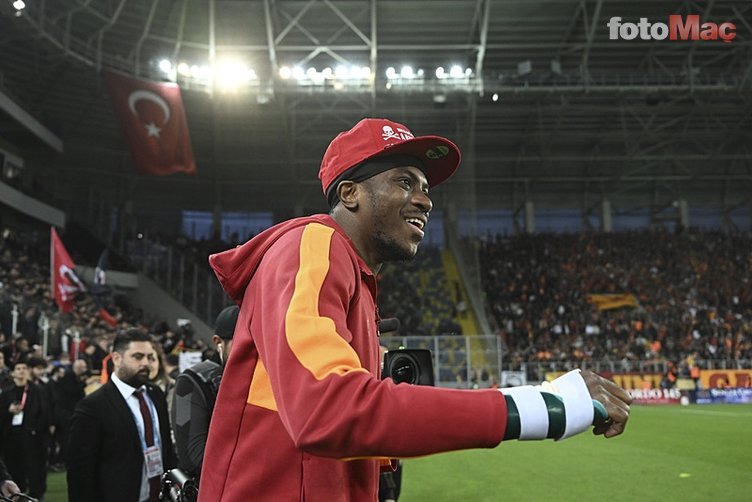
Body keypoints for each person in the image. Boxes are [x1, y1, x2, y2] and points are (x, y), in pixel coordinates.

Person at [199, 118, 632, 501]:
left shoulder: (353, 276)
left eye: (426, 189)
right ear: (350, 193)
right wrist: (544, 406)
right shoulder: (313, 245)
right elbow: (327, 410)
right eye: (405, 182)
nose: (426, 201)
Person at [66, 328, 177, 502]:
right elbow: (80, 473)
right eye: (138, 357)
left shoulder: (156, 394)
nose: (146, 363)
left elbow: (166, 450)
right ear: (117, 359)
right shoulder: (92, 407)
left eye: (150, 357)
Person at [171, 305, 239, 482]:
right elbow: (191, 455)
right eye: (241, 342)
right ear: (218, 342)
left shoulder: (268, 378)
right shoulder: (189, 383)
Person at [0, 359, 51, 500]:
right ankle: (16, 493)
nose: (21, 371)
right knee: (14, 466)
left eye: (24, 368)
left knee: (35, 466)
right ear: (13, 373)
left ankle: (36, 495)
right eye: (18, 368)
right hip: (11, 436)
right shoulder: (6, 394)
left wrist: (36, 430)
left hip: (32, 435)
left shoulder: (38, 390)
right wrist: (9, 410)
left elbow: (44, 412)